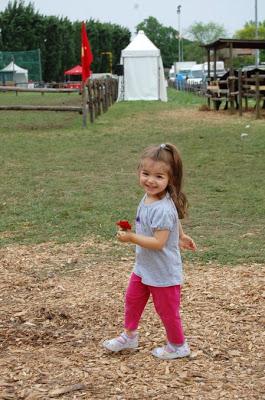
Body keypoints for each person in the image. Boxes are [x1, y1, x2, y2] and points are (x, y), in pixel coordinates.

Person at [103, 143, 196, 360]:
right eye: (146, 174)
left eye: (158, 176)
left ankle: (178, 345)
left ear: (170, 179)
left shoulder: (162, 208)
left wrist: (132, 237)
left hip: (163, 273)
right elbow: (173, 219)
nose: (150, 181)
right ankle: (129, 335)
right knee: (132, 300)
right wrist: (181, 235)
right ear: (139, 172)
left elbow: (159, 243)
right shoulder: (150, 198)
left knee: (167, 312)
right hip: (144, 267)